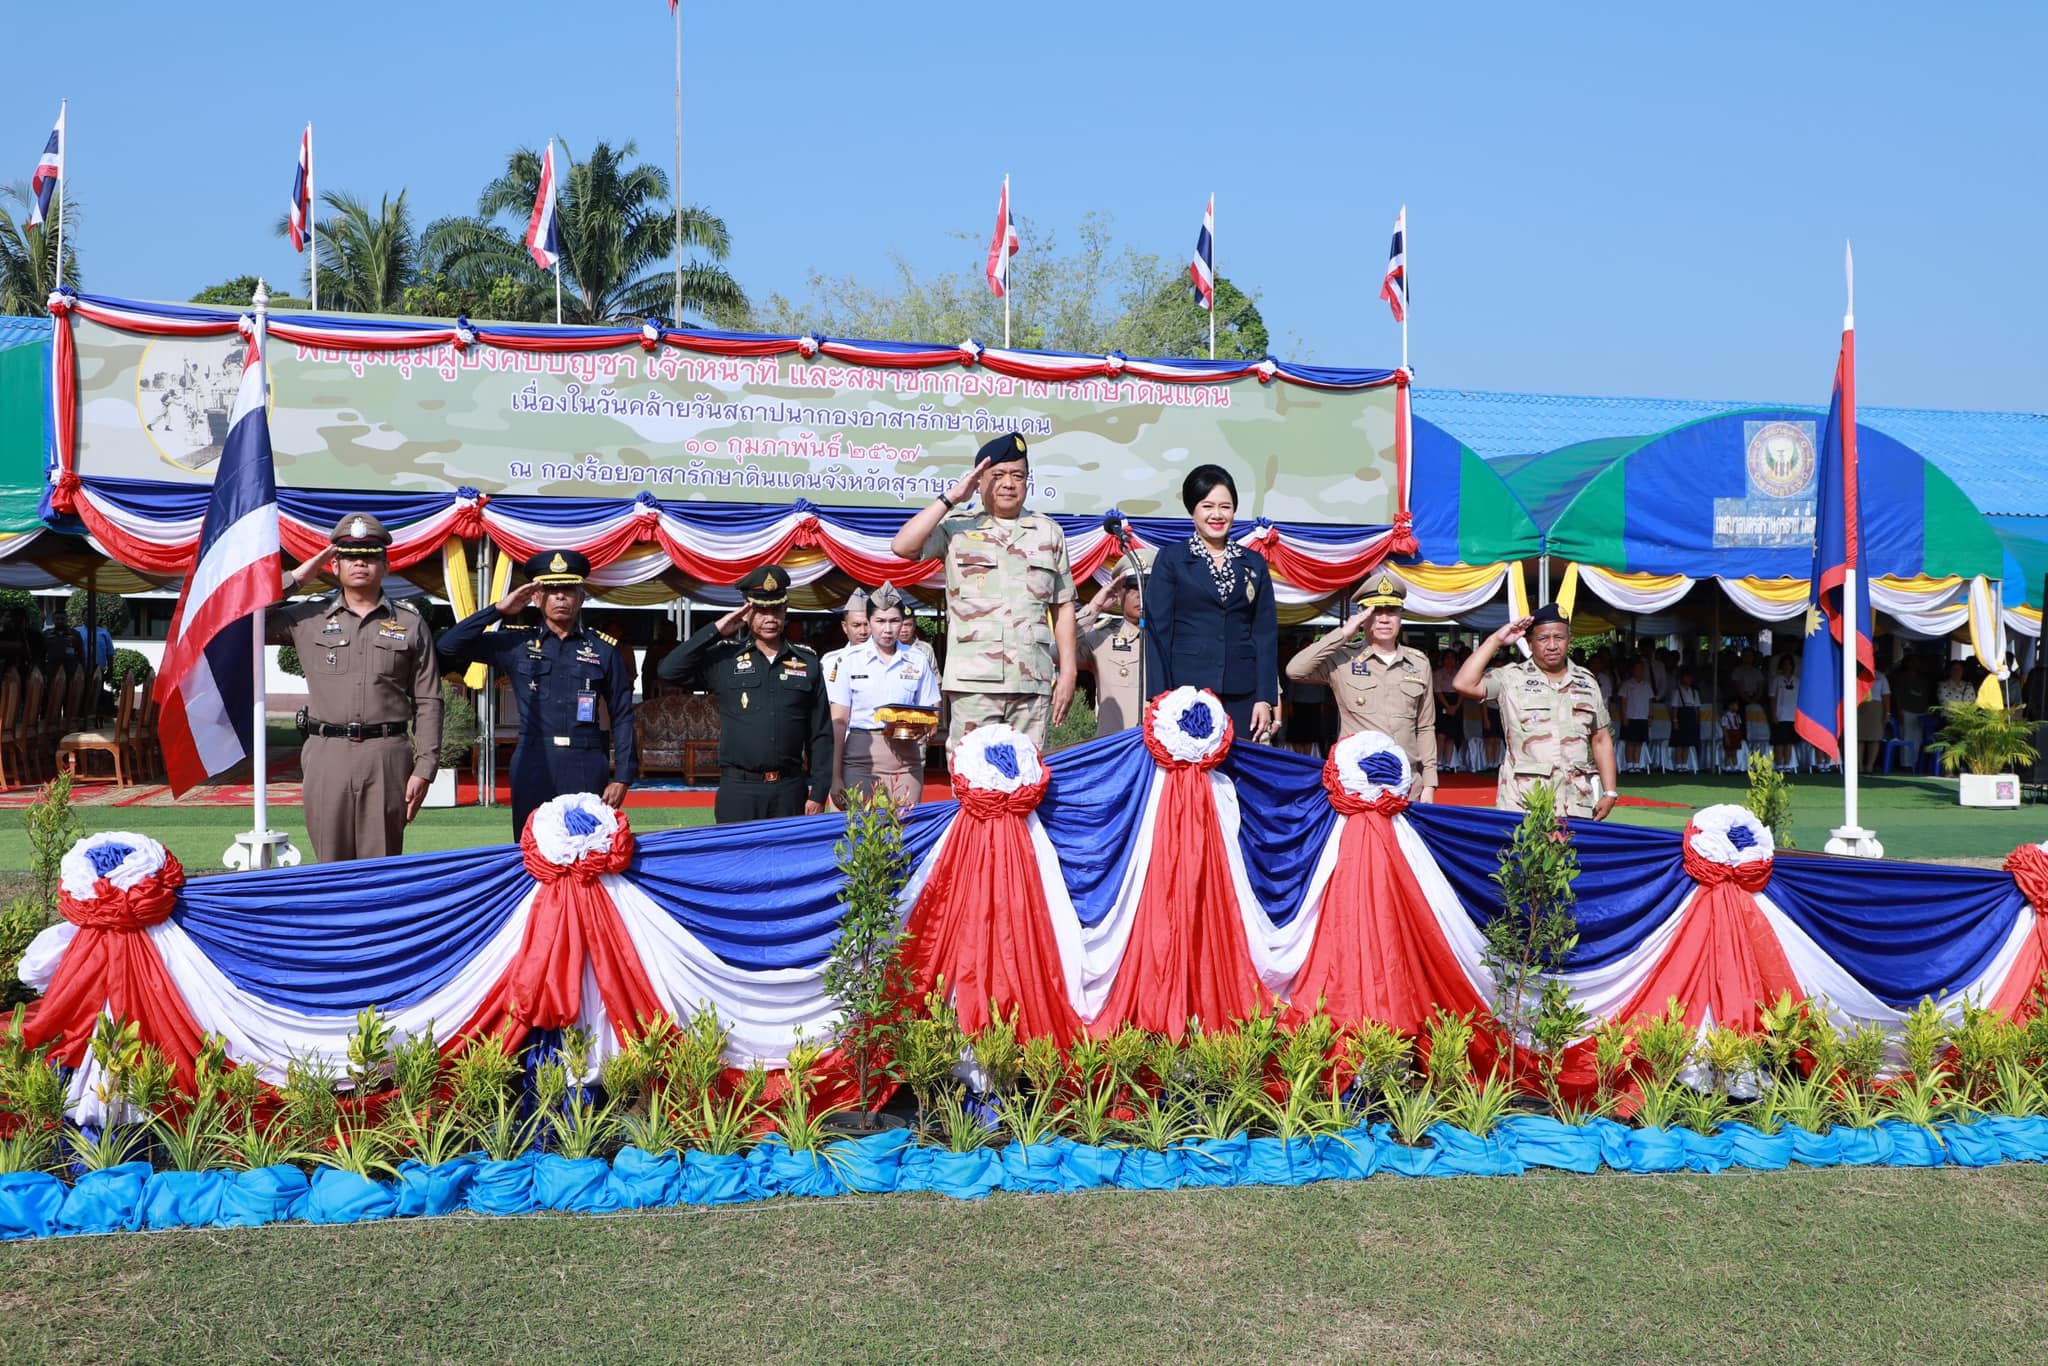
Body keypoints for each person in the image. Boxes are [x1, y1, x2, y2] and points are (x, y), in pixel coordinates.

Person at [268, 515, 443, 863]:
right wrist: (296, 579)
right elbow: (238, 619)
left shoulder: (410, 622)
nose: (360, 562)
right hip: (326, 753)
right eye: (350, 556)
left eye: (370, 555)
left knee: (381, 865)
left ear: (386, 565)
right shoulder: (307, 617)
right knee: (330, 865)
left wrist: (425, 767)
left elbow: (428, 699)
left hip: (386, 755)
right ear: (333, 565)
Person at [889, 432, 1077, 751]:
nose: (1008, 483)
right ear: (979, 482)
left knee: (1026, 780)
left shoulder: (1048, 532)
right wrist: (952, 497)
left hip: (1032, 682)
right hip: (974, 683)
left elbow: (1063, 606)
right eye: (998, 475)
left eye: (1018, 476)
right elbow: (903, 546)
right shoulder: (957, 527)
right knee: (971, 778)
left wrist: (1069, 671)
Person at [437, 549, 636, 838]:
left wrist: (623, 777)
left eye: (568, 590)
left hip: (586, 761)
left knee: (587, 850)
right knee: (532, 849)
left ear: (581, 597)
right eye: (551, 590)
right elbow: (449, 646)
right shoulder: (517, 644)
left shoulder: (603, 650)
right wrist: (498, 610)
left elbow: (623, 715)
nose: (560, 597)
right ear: (536, 597)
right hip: (534, 760)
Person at [657, 566, 830, 823]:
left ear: (785, 611)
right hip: (739, 789)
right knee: (736, 861)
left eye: (776, 610)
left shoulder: (807, 662)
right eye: (761, 610)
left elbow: (821, 733)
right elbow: (669, 670)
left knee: (786, 862)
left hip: (790, 788)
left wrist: (818, 792)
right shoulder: (726, 658)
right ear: (747, 613)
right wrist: (716, 629)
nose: (769, 618)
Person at [1143, 464, 1279, 741]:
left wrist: (1265, 697)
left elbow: (1265, 634)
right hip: (1186, 692)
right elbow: (1158, 632)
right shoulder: (1172, 559)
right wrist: (1159, 696)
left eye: (1225, 507)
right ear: (1193, 510)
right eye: (1207, 506)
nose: (1217, 515)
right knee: (1192, 775)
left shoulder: (1253, 563)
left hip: (1243, 692)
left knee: (1239, 771)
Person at [1453, 603, 1618, 819]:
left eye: (1559, 637)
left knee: (1573, 853)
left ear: (1569, 640)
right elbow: (1464, 683)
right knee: (1524, 853)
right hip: (1525, 802)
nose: (1552, 645)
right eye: (1543, 639)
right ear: (1529, 643)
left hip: (1576, 802)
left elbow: (1601, 739)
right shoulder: (1512, 678)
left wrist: (1610, 791)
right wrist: (1496, 640)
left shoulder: (1586, 682)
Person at [1284, 571, 1437, 799]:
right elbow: (1294, 670)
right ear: (1363, 616)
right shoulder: (1343, 660)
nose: (1384, 619)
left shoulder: (1418, 663)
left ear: (1400, 617)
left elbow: (1425, 727)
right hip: (1358, 783)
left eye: (1392, 611)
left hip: (1407, 782)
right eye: (1376, 612)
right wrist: (1344, 633)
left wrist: (1429, 784)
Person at [828, 583, 940, 807]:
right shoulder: (849, 660)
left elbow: (932, 710)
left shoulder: (917, 659)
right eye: (880, 621)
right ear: (869, 623)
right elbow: (839, 722)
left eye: (894, 621)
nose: (887, 629)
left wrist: (924, 726)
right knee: (863, 832)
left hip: (906, 757)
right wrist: (835, 775)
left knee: (905, 831)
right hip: (861, 757)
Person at [1076, 566, 1145, 738]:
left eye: (1147, 586)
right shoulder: (1103, 639)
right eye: (1132, 588)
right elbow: (1058, 652)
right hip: (1115, 751)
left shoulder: (1175, 640)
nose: (1140, 594)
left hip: (1163, 754)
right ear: (1118, 595)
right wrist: (1095, 607)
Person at [1618, 658, 1654, 772]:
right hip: (1630, 716)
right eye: (1637, 668)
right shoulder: (1627, 684)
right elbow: (1623, 701)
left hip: (1642, 716)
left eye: (1641, 669)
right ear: (1633, 670)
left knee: (1639, 741)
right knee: (1630, 741)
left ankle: (1637, 764)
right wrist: (1624, 716)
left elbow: (1650, 701)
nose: (1640, 671)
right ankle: (1629, 765)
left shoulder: (1646, 685)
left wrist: (1650, 715)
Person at [1858, 665, 1894, 774]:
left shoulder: (1880, 676)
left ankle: (1869, 766)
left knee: (1875, 738)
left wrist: (1887, 713)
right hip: (1859, 706)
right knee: (1859, 737)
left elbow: (1886, 695)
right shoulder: (1856, 673)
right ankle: (1858, 766)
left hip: (1876, 707)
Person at [1668, 667, 1703, 771]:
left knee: (1687, 743)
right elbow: (1675, 707)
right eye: (1687, 677)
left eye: (1690, 678)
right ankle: (1678, 764)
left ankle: (1684, 764)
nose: (1689, 679)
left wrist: (1697, 721)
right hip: (1681, 716)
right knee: (1680, 742)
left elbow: (1697, 708)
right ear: (1682, 678)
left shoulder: (1694, 692)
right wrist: (1675, 720)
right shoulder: (1677, 691)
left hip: (1691, 716)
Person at [1768, 654, 1800, 768]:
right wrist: (1773, 714)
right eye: (1784, 664)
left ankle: (1787, 764)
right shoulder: (1776, 680)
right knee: (1779, 742)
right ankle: (1779, 764)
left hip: (1793, 716)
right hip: (1780, 715)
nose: (1787, 666)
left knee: (1789, 742)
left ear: (1792, 666)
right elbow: (1772, 698)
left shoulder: (1797, 681)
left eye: (1789, 664)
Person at [1719, 696, 1746, 769]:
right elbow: (1724, 727)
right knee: (1728, 752)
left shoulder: (1737, 716)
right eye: (1735, 705)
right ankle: (1727, 767)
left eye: (1737, 705)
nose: (1736, 707)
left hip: (1736, 733)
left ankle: (1735, 767)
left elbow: (1739, 726)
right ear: (1730, 706)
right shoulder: (1725, 716)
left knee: (1735, 752)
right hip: (1729, 733)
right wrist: (1726, 737)